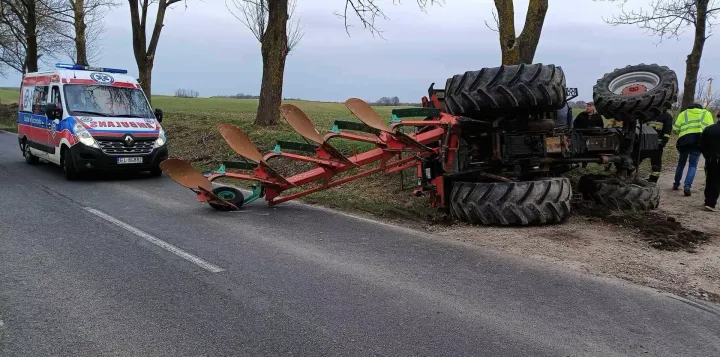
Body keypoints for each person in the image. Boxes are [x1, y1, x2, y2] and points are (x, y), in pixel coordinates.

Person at [672, 103, 715, 196]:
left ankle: (676, 184)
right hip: (698, 141)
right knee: (692, 165)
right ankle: (687, 187)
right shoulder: (707, 113)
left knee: (681, 163)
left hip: (684, 141)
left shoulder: (683, 113)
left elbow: (675, 128)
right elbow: (711, 129)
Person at [643, 109, 674, 183]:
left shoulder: (667, 116)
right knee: (637, 158)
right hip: (644, 141)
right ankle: (627, 173)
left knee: (655, 161)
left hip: (657, 144)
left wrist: (664, 141)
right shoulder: (648, 114)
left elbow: (667, 130)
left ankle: (653, 178)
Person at [699, 116, 720, 211]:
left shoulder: (709, 129)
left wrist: (707, 156)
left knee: (711, 179)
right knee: (716, 181)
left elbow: (701, 145)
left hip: (711, 159)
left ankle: (709, 201)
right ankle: (711, 203)